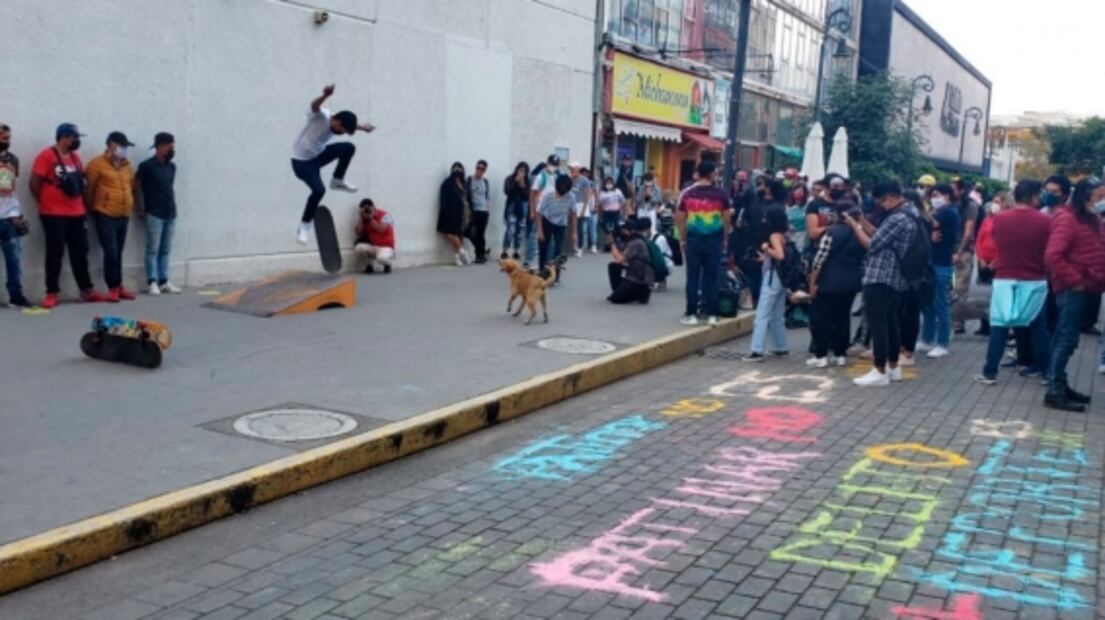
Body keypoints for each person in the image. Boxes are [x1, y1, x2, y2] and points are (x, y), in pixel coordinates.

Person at [973, 180, 1051, 388]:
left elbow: (996, 244)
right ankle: (1047, 373)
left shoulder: (1000, 220)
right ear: (1034, 196)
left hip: (1004, 278)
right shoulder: (1045, 222)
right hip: (1034, 279)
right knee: (1038, 327)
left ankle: (990, 372)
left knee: (998, 325)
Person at [848, 180, 919, 387]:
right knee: (892, 323)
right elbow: (881, 236)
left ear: (888, 198)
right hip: (897, 278)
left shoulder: (898, 218)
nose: (880, 207)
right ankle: (893, 367)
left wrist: (854, 226)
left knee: (879, 325)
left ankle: (879, 370)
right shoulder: (911, 212)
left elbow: (872, 245)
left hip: (881, 276)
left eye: (880, 203)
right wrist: (863, 223)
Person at [1042, 177, 1105, 412]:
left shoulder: (1091, 219)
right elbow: (1053, 256)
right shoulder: (1068, 219)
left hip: (1086, 286)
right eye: (1099, 196)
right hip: (1073, 288)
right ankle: (1055, 390)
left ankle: (1059, 383)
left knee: (1064, 337)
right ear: (1086, 196)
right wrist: (1075, 281)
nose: (1102, 201)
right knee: (1066, 339)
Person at [31, 123, 105, 309]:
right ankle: (52, 292)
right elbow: (34, 182)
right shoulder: (46, 156)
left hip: (76, 211)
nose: (76, 141)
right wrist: (45, 201)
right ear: (63, 137)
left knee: (80, 252)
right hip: (53, 213)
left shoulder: (75, 157)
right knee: (55, 252)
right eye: (74, 137)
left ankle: (86, 290)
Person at [290, 84, 374, 244]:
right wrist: (325, 95)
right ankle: (304, 226)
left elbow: (350, 126)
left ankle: (337, 180)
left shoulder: (338, 121)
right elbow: (314, 106)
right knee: (319, 190)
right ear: (335, 120)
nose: (340, 133)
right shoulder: (320, 116)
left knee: (348, 147)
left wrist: (363, 128)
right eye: (340, 130)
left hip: (318, 156)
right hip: (301, 163)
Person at [807, 200, 864, 367]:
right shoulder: (859, 233)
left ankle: (821, 355)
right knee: (843, 317)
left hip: (829, 281)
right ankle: (840, 354)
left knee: (822, 318)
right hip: (852, 281)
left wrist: (812, 282)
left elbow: (819, 260)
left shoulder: (832, 232)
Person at [676, 160, 732, 326]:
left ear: (698, 174)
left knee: (692, 277)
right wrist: (725, 239)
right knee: (712, 277)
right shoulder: (722, 194)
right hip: (714, 239)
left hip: (693, 239)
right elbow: (727, 218)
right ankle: (712, 314)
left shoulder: (688, 194)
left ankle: (691, 313)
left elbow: (679, 218)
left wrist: (683, 238)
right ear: (712, 174)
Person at [86, 131, 137, 302]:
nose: (124, 151)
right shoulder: (97, 164)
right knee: (111, 251)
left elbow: (131, 186)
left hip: (123, 214)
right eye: (122, 147)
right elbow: (89, 189)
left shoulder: (127, 166)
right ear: (111, 145)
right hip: (105, 214)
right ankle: (112, 287)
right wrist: (93, 209)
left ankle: (119, 285)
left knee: (119, 251)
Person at [135, 132, 181, 295]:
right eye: (169, 146)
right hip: (154, 211)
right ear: (160, 147)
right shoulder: (146, 166)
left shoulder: (171, 167)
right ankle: (152, 281)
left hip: (170, 211)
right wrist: (140, 207)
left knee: (166, 248)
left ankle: (164, 280)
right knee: (153, 248)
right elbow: (138, 186)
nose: (172, 149)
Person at [918, 183, 960, 358]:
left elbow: (927, 224)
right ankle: (927, 339)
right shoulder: (939, 212)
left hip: (942, 264)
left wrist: (928, 228)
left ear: (947, 196)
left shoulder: (948, 213)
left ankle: (942, 343)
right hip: (932, 262)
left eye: (937, 195)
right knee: (928, 305)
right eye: (932, 195)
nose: (934, 199)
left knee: (941, 305)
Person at [745, 207, 790, 361]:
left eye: (766, 217)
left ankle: (756, 350)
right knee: (777, 314)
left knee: (762, 314)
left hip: (772, 277)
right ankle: (780, 346)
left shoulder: (773, 236)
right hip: (781, 276)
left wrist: (766, 249)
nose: (764, 220)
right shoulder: (784, 235)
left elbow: (780, 255)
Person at [0, 124, 31, 307]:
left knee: (14, 259)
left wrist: (17, 213)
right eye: (3, 138)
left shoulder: (13, 159)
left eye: (8, 138)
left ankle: (16, 295)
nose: (7, 141)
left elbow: (10, 188)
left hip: (9, 217)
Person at [950, 178, 980, 333]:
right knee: (951, 288)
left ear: (962, 190)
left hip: (963, 251)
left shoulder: (970, 206)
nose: (951, 191)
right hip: (950, 250)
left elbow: (969, 231)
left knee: (960, 289)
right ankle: (951, 318)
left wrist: (960, 251)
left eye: (954, 189)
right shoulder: (952, 204)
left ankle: (958, 323)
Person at [536, 174, 576, 282]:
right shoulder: (548, 195)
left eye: (565, 188)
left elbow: (573, 214)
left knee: (558, 250)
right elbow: (539, 213)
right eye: (561, 188)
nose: (563, 191)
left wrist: (574, 232)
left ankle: (555, 276)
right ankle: (542, 273)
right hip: (547, 221)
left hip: (561, 224)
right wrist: (540, 231)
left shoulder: (570, 196)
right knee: (543, 246)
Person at [607, 218, 654, 304]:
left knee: (617, 299)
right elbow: (618, 258)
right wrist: (613, 243)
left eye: (624, 230)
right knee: (613, 266)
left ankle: (640, 294)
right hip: (636, 273)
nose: (622, 232)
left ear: (631, 230)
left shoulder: (636, 242)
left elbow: (619, 258)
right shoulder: (632, 240)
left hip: (641, 279)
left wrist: (612, 243)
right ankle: (619, 291)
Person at [530, 154, 562, 268]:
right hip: (540, 211)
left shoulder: (557, 176)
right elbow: (532, 194)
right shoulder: (540, 176)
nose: (553, 167)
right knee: (538, 236)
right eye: (552, 164)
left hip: (552, 212)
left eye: (555, 165)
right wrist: (532, 211)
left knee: (550, 239)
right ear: (547, 163)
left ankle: (547, 261)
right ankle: (534, 261)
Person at [438, 162, 471, 266]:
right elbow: (443, 199)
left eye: (459, 169)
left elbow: (467, 197)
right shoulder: (447, 183)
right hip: (448, 213)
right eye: (455, 169)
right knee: (449, 234)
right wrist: (446, 211)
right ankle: (462, 251)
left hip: (461, 213)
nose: (457, 171)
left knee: (459, 234)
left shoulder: (464, 183)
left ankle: (457, 258)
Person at [353, 198, 395, 274]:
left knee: (381, 258)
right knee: (359, 247)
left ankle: (388, 264)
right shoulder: (364, 218)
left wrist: (370, 219)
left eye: (368, 208)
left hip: (386, 246)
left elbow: (381, 229)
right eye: (364, 209)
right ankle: (369, 265)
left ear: (373, 207)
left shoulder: (384, 215)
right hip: (374, 246)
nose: (367, 211)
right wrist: (361, 217)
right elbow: (359, 232)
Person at [501, 162, 530, 261]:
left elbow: (528, 196)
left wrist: (522, 185)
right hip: (512, 205)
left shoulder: (527, 181)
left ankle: (516, 251)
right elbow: (506, 191)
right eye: (520, 169)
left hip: (523, 206)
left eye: (524, 171)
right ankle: (505, 251)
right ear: (516, 169)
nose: (522, 172)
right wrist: (515, 182)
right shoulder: (509, 178)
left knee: (520, 230)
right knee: (510, 230)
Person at [466, 159, 491, 263]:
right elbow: (466, 195)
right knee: (470, 233)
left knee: (481, 234)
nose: (479, 170)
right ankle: (483, 252)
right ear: (475, 168)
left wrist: (488, 209)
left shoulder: (485, 181)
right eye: (478, 168)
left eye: (482, 169)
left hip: (483, 211)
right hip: (473, 211)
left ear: (485, 170)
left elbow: (487, 196)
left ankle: (479, 256)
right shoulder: (469, 180)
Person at [569, 162, 595, 256]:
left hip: (580, 205)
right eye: (570, 169)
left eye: (573, 169)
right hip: (571, 204)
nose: (571, 171)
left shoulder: (584, 180)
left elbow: (587, 195)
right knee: (571, 227)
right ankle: (572, 246)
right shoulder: (570, 179)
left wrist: (584, 208)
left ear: (578, 169)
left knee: (579, 227)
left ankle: (580, 247)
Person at [597, 176, 626, 251]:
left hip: (615, 211)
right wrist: (600, 213)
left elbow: (623, 201)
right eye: (607, 183)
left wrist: (620, 207)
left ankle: (612, 244)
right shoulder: (602, 193)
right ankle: (609, 244)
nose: (609, 184)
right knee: (606, 228)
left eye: (610, 183)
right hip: (606, 212)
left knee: (616, 227)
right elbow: (599, 203)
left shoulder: (617, 191)